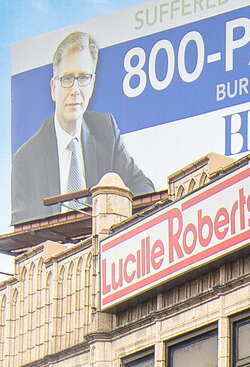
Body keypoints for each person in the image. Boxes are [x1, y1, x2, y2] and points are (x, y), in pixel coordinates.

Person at [8, 31, 156, 225]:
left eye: (83, 78)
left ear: (92, 84)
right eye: (67, 79)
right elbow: (22, 233)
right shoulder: (26, 159)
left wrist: (117, 205)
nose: (75, 91)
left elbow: (143, 186)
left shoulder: (106, 130)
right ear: (54, 88)